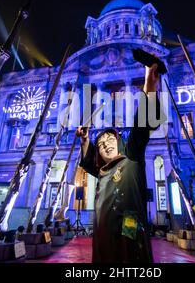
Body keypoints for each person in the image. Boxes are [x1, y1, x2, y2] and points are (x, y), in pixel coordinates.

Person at [76, 63, 164, 263]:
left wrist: (149, 84)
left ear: (120, 142)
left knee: (129, 256)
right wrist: (85, 141)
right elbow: (88, 164)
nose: (106, 145)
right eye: (101, 144)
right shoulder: (102, 171)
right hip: (103, 240)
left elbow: (142, 125)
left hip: (129, 231)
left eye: (110, 140)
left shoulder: (131, 158)